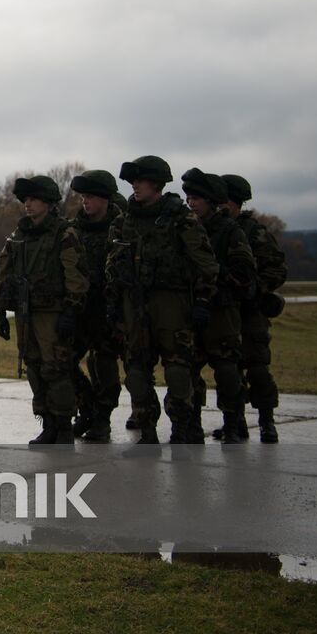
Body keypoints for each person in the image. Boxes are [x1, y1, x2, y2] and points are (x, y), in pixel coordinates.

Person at [106, 156, 219, 445]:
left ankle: (182, 427)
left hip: (172, 304)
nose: (135, 186)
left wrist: (203, 302)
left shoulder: (181, 219)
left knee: (179, 371)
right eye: (133, 181)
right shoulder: (123, 221)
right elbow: (112, 266)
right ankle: (146, 431)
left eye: (141, 181)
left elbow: (205, 264)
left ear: (156, 184)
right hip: (135, 304)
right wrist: (114, 305)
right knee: (136, 372)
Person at [0, 176, 88, 444]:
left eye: (33, 199)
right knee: (33, 366)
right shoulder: (19, 235)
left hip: (53, 311)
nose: (28, 204)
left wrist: (71, 310)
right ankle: (47, 423)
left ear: (47, 202)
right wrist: (0, 309)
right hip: (27, 311)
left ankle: (64, 426)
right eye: (25, 200)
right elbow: (4, 271)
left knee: (56, 368)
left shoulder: (63, 233)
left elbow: (75, 275)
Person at [181, 168, 251, 444]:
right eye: (189, 198)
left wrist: (215, 276)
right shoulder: (185, 228)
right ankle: (193, 424)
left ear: (211, 201)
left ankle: (233, 422)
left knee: (227, 371)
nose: (191, 203)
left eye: (196, 198)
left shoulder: (229, 231)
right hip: (192, 310)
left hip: (222, 312)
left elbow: (244, 272)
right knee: (189, 370)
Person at [219, 175, 287, 443]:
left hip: (252, 311)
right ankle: (235, 422)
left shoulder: (253, 231)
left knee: (258, 368)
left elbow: (277, 269)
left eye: (223, 201)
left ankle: (267, 421)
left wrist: (255, 288)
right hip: (225, 312)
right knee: (229, 371)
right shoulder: (215, 230)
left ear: (235, 202)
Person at [67, 170, 126, 442]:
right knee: (62, 361)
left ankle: (102, 419)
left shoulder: (123, 228)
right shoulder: (73, 230)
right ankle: (86, 407)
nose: (84, 202)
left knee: (104, 366)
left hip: (108, 309)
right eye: (82, 197)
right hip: (80, 309)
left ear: (105, 199)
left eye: (90, 197)